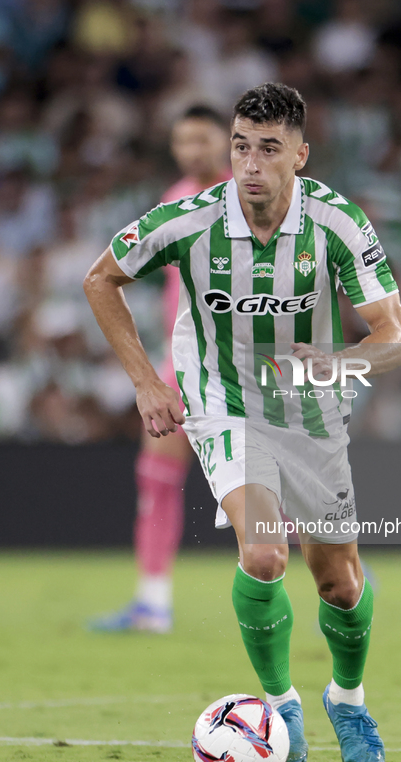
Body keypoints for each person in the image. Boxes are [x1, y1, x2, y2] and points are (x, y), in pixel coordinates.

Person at [84, 83, 401, 762]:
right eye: (240, 147)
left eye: (268, 149)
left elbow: (394, 338)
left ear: (300, 154)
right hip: (223, 403)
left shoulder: (337, 222)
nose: (250, 164)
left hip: (312, 411)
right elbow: (101, 278)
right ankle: (279, 706)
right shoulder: (191, 218)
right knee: (264, 555)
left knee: (341, 586)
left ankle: (346, 700)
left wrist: (336, 361)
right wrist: (147, 381)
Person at [91, 105, 230, 632]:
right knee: (157, 476)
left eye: (203, 139)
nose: (193, 150)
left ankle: (342, 573)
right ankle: (152, 602)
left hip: (243, 365)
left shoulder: (248, 197)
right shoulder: (174, 198)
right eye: (183, 141)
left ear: (227, 141)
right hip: (183, 363)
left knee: (271, 492)